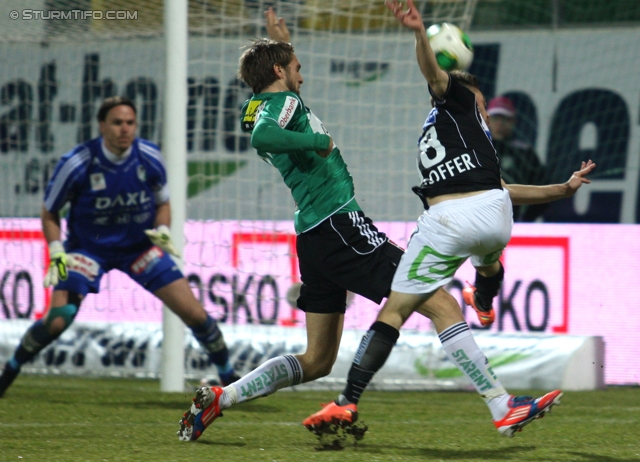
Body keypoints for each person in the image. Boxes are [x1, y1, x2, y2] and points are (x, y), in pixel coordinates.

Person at [176, 7, 595, 442]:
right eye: (296, 69)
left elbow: (275, 102)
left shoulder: (267, 100)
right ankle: (501, 404)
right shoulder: (280, 104)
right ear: (280, 71)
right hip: (341, 225)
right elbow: (265, 133)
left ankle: (220, 399)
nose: (303, 77)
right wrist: (317, 141)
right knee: (442, 304)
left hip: (313, 236)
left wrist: (282, 44)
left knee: (317, 360)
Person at [301, 0, 596, 440]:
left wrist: (561, 189)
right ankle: (487, 312)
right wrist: (563, 189)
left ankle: (347, 401)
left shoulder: (452, 130)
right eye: (478, 101)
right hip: (494, 216)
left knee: (396, 310)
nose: (482, 109)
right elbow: (498, 185)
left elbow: (495, 181)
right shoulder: (456, 102)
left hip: (452, 218)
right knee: (488, 263)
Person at [0, 96, 239, 398]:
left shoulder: (149, 156)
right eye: (117, 123)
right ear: (102, 126)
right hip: (88, 250)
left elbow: (162, 202)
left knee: (195, 315)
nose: (125, 129)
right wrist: (57, 251)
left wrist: (162, 229)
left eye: (130, 123)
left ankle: (230, 378)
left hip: (138, 248)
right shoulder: (77, 163)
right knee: (59, 319)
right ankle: (10, 369)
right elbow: (49, 213)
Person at [487, 95, 548, 221]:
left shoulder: (525, 153)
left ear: (513, 121)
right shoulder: (475, 149)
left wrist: (526, 219)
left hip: (515, 222)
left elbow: (543, 188)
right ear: (487, 120)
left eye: (505, 119)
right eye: (495, 118)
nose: (499, 124)